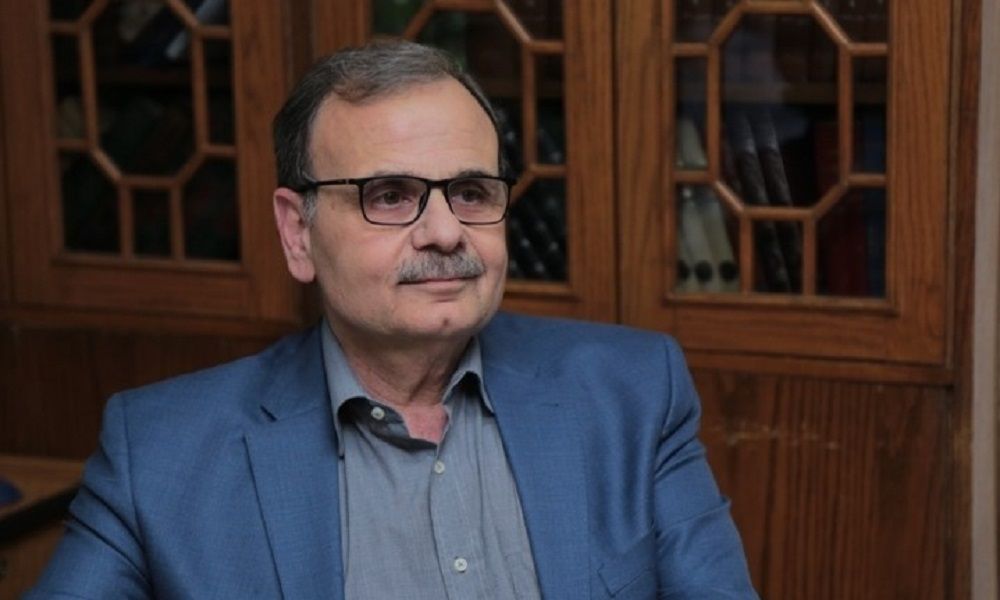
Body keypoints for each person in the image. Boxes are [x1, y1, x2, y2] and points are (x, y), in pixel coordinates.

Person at [29, 40, 757, 599]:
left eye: (471, 192)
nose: (445, 232)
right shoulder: (161, 454)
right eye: (390, 195)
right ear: (298, 233)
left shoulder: (633, 394)